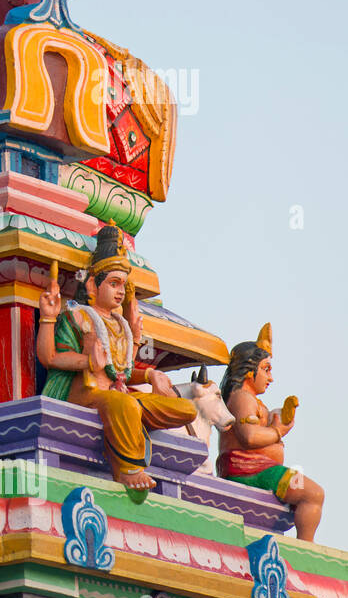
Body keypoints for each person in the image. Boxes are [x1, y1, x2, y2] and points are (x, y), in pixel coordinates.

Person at [38, 223, 197, 499]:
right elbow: (49, 356)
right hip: (87, 393)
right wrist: (50, 319)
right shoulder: (78, 316)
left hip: (120, 395)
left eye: (123, 285)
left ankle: (131, 423)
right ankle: (127, 468)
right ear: (91, 284)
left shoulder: (120, 324)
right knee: (124, 404)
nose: (120, 291)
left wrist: (149, 375)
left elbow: (121, 369)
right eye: (113, 283)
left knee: (186, 409)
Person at [218, 325, 323, 541]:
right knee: (313, 494)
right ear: (249, 371)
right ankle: (306, 549)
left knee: (311, 494)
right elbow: (249, 437)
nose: (271, 377)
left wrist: (278, 419)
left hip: (260, 468)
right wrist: (277, 431)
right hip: (249, 470)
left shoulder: (251, 400)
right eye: (266, 369)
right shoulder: (241, 398)